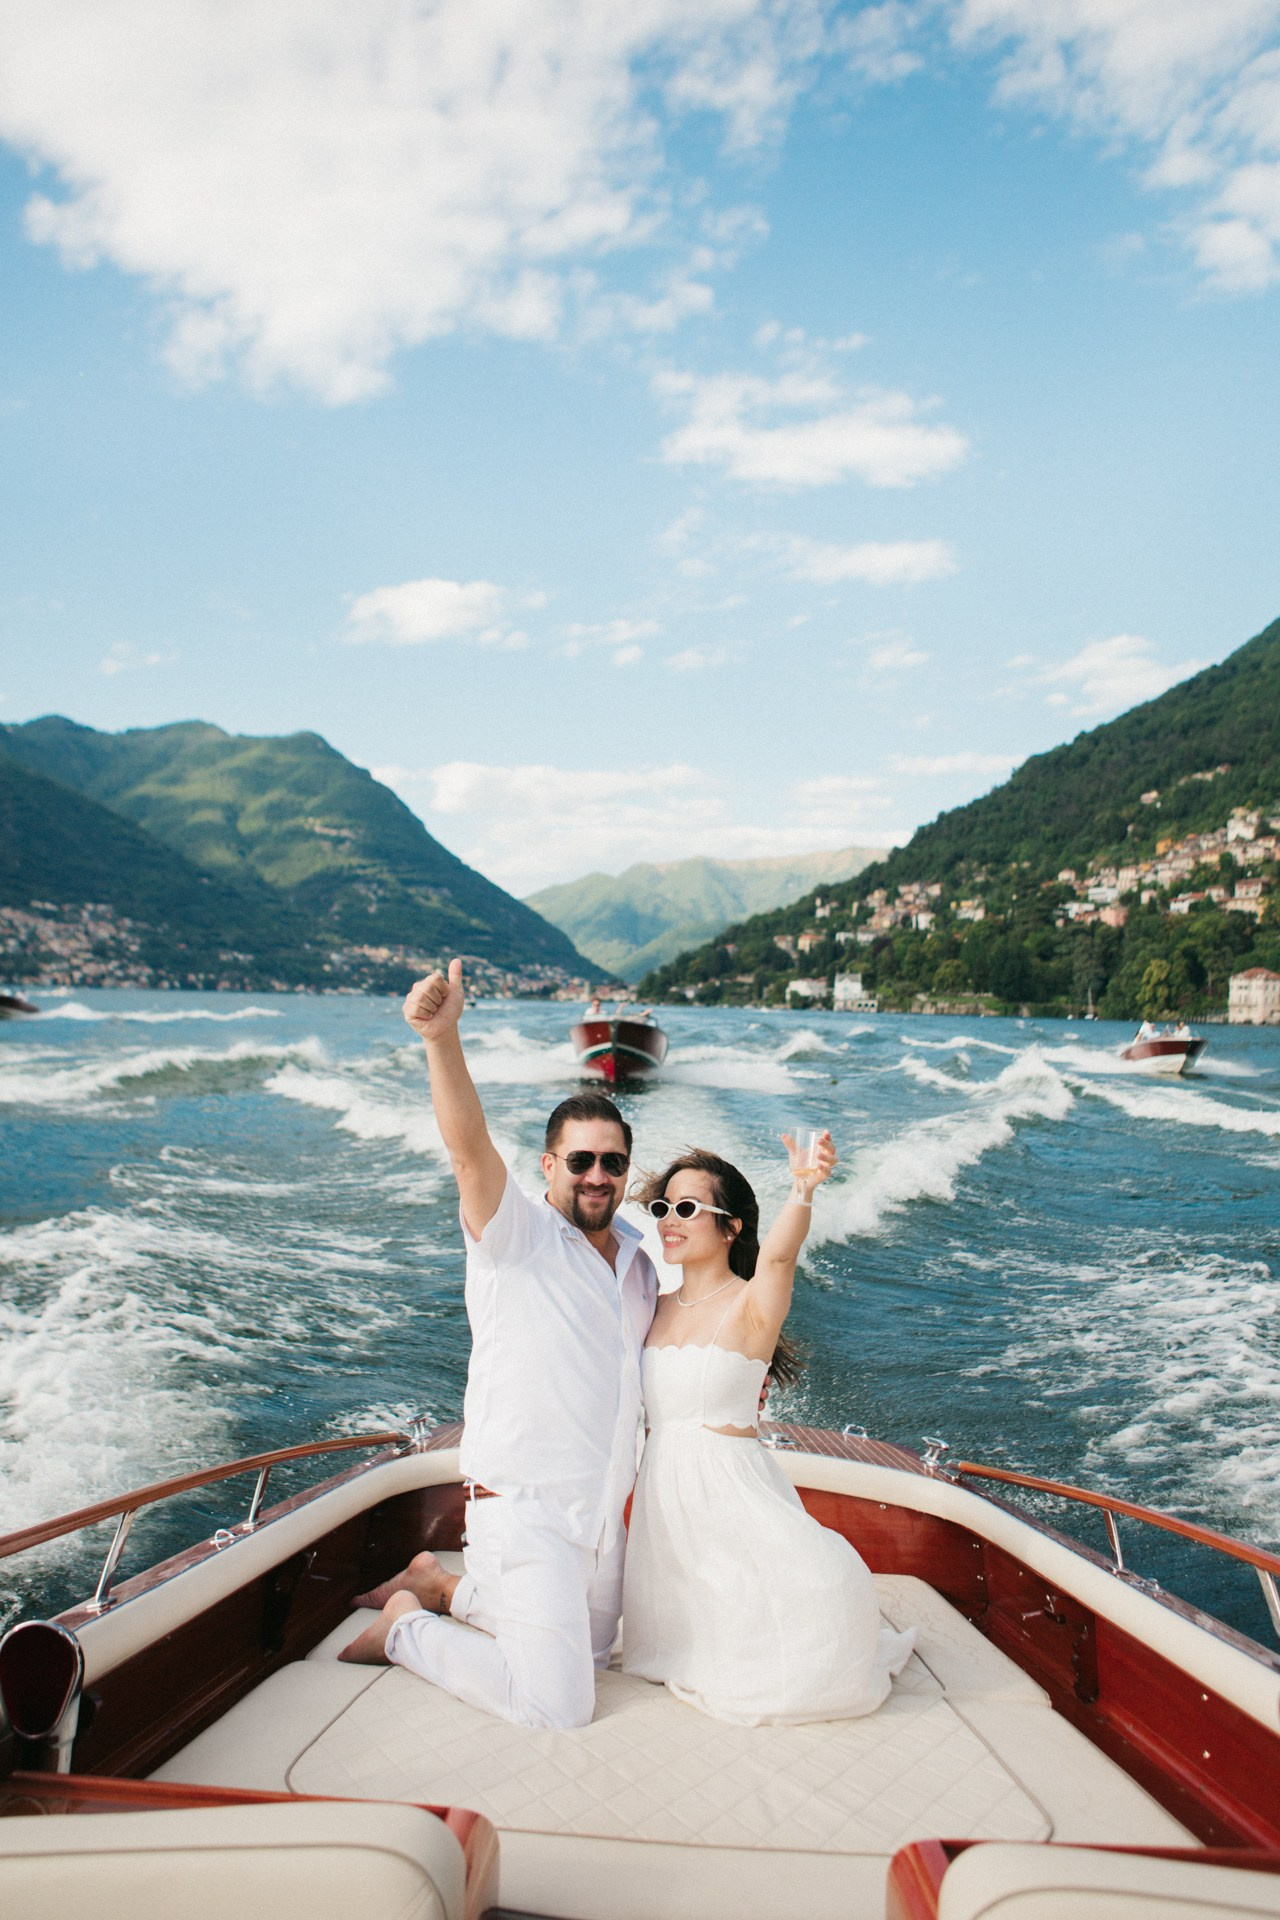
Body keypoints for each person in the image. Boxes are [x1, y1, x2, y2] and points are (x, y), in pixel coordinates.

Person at [340, 958, 658, 1729]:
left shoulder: (642, 1261)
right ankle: (406, 1630)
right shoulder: (516, 1236)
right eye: (579, 1161)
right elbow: (468, 1149)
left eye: (611, 1163)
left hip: (602, 1516)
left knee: (587, 1658)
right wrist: (441, 1040)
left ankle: (443, 1586)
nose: (596, 1175)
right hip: (523, 1509)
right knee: (556, 1706)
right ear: (548, 1167)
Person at [621, 1136, 916, 1724]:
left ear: (730, 1229)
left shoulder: (752, 1305)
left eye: (687, 1209)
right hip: (667, 1505)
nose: (669, 1222)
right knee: (681, 1644)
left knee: (801, 1642)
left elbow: (779, 1257)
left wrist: (803, 1189)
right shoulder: (651, 1301)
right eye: (663, 1208)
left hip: (734, 1501)